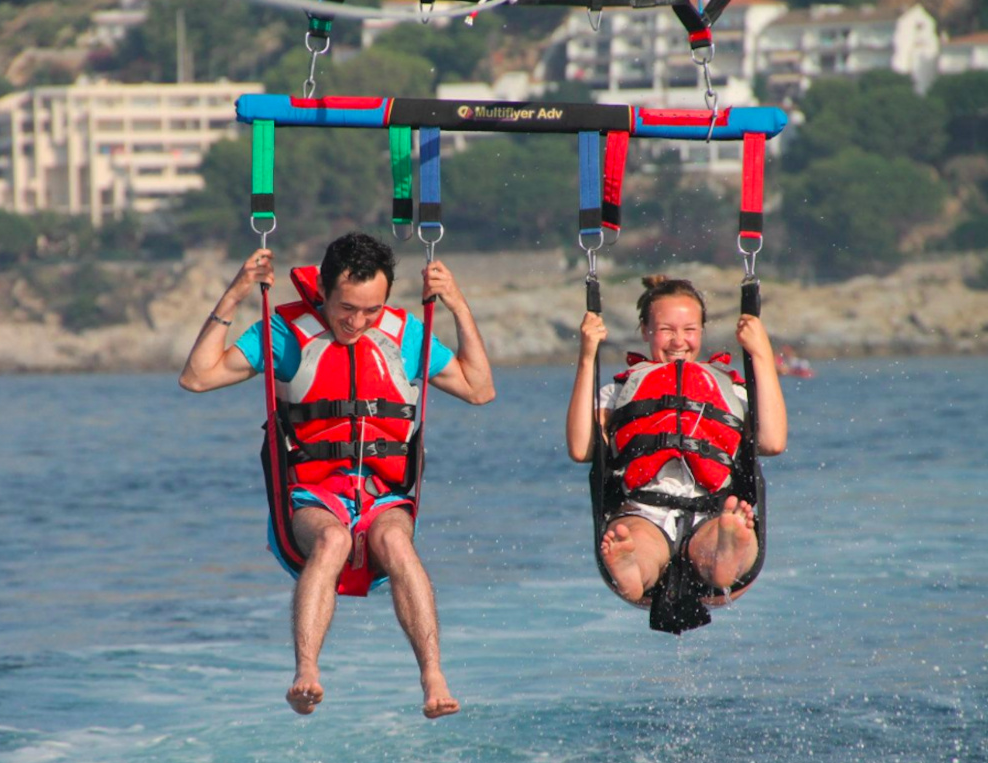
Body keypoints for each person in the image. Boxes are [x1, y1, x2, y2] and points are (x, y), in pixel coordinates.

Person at [179, 232, 494, 718]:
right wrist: (238, 290)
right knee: (332, 542)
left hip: (382, 496)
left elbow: (479, 388)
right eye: (347, 308)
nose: (358, 322)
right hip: (311, 496)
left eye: (371, 310)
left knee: (396, 543)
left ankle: (432, 674)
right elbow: (197, 376)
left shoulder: (405, 334)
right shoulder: (285, 333)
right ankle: (306, 671)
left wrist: (455, 304)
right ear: (323, 290)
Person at [566, 275, 787, 611]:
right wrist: (587, 356)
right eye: (666, 330)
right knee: (638, 543)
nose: (678, 341)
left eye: (689, 330)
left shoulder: (732, 391)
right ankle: (631, 568)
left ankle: (725, 555)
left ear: (702, 330)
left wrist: (761, 353)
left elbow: (772, 442)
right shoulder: (616, 394)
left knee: (718, 538)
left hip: (713, 510)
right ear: (645, 331)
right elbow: (581, 448)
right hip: (644, 512)